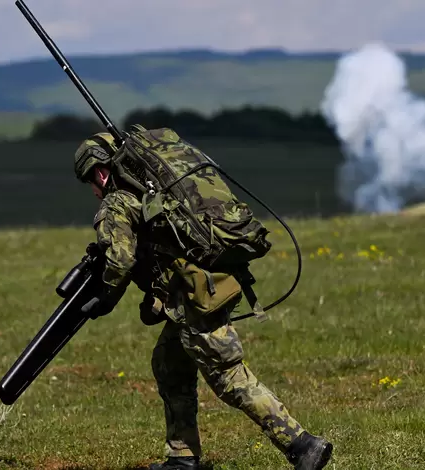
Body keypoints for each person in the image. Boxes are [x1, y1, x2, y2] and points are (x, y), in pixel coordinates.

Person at [73, 131, 333, 470]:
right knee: (169, 364)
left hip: (197, 298)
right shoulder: (154, 190)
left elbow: (119, 261)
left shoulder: (119, 201)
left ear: (101, 172)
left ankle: (302, 444)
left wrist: (105, 298)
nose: (93, 190)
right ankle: (182, 458)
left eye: (90, 180)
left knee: (228, 376)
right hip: (206, 286)